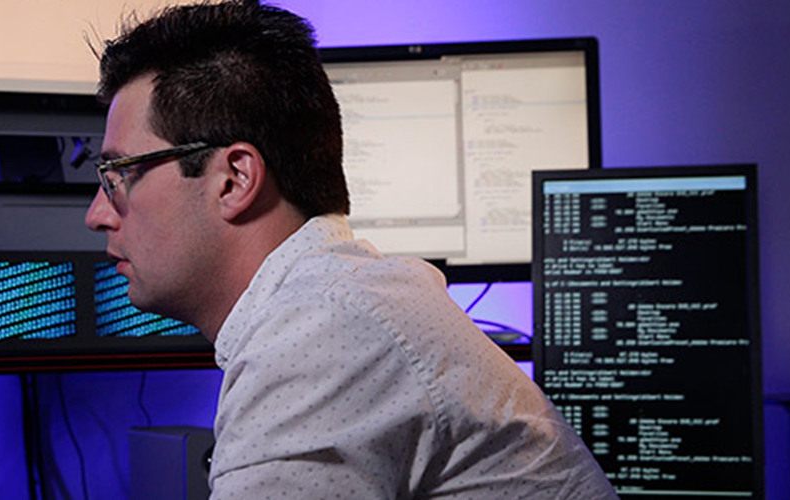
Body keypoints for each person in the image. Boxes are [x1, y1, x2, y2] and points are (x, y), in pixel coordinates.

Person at [83, 1, 619, 498]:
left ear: (233, 179)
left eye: (119, 175)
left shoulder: (319, 335)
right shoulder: (344, 299)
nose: (97, 214)